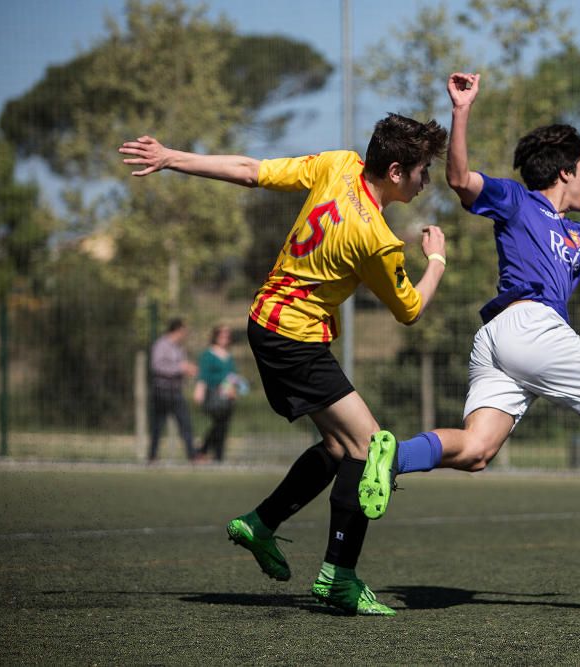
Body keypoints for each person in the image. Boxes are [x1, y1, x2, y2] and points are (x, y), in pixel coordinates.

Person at [359, 72, 580, 576]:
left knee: (478, 450)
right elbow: (460, 179)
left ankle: (392, 456)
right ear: (566, 172)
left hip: (501, 340)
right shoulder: (518, 201)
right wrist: (462, 109)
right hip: (526, 326)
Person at [119, 112, 449, 616]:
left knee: (341, 446)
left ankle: (261, 523)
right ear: (398, 170)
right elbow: (409, 310)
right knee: (369, 446)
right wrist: (438, 262)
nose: (429, 179)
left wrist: (171, 158)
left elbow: (252, 170)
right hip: (293, 338)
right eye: (424, 169)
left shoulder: (338, 165)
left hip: (265, 321)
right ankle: (338, 577)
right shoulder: (377, 239)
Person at [148, 318, 198, 462]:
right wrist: (180, 368)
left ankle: (192, 456)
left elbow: (181, 366)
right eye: (184, 331)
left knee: (185, 423)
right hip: (161, 391)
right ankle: (152, 456)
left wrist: (188, 369)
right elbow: (157, 366)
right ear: (177, 330)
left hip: (176, 391)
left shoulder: (179, 348)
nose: (185, 335)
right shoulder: (161, 345)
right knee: (157, 425)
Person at [193, 325, 243, 463]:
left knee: (223, 425)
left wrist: (234, 388)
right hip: (213, 394)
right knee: (219, 424)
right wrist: (199, 390)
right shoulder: (208, 354)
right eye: (222, 335)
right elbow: (203, 374)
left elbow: (232, 375)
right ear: (215, 336)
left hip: (228, 395)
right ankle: (204, 450)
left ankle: (216, 455)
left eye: (227, 336)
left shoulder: (229, 356)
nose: (225, 338)